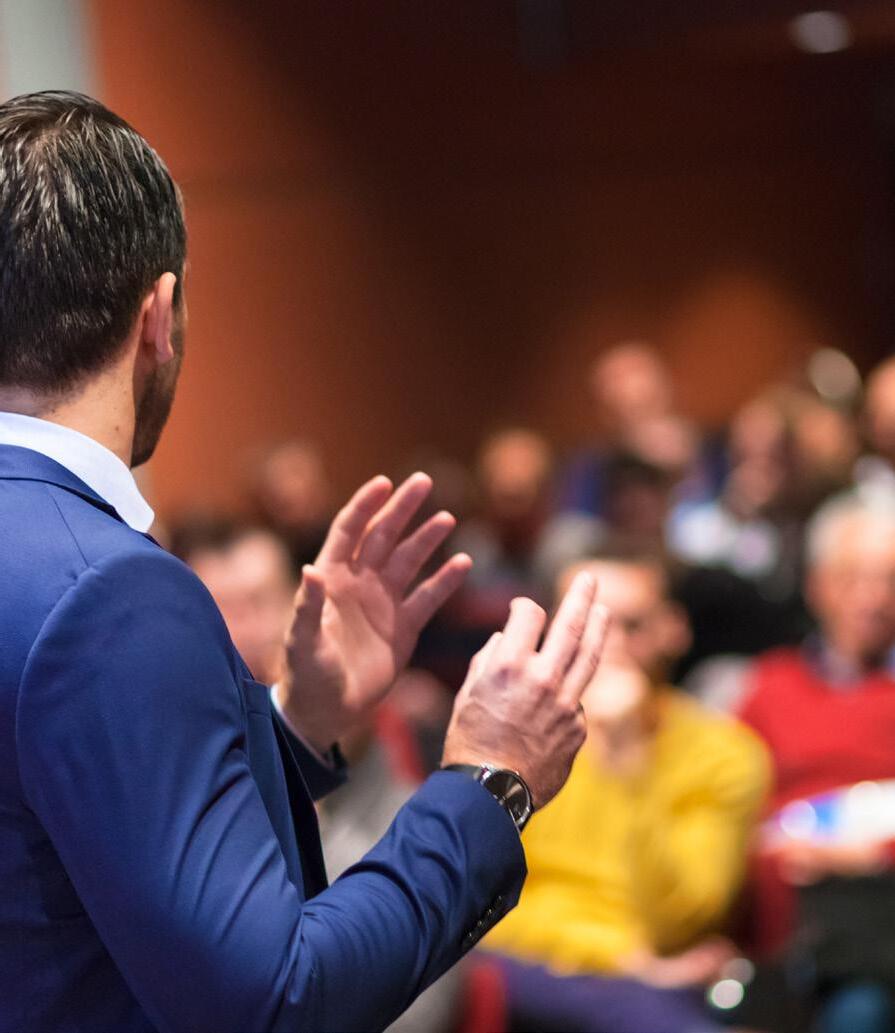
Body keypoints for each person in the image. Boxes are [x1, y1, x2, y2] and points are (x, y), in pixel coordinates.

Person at [0, 91, 610, 1033]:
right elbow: (274, 1002)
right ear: (158, 314)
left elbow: (59, 842)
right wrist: (490, 778)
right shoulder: (110, 590)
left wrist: (298, 720)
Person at [480, 549, 770, 1033]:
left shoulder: (726, 755)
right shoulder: (514, 738)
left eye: (630, 626)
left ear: (674, 630)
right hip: (532, 965)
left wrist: (629, 760)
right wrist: (616, 954)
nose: (605, 648)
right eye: (585, 628)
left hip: (652, 984)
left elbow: (680, 920)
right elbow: (477, 902)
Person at [739, 493, 895, 1033]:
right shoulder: (771, 686)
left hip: (875, 933)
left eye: (889, 580)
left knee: (859, 1011)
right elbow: (730, 803)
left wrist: (869, 856)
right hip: (776, 929)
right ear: (818, 586)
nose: (873, 598)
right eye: (854, 578)